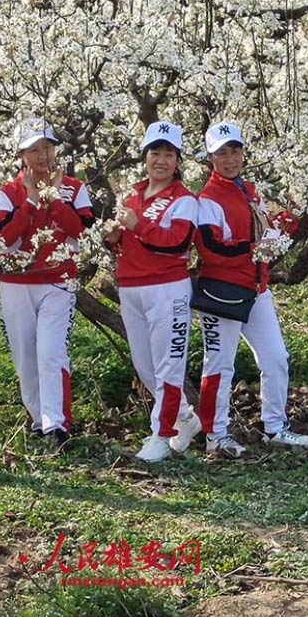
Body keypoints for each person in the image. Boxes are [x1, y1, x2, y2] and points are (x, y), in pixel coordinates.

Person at [193, 122, 308, 458]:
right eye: (221, 152)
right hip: (222, 292)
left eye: (234, 150)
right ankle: (215, 436)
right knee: (219, 364)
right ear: (210, 158)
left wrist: (289, 219)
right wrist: (254, 249)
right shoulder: (207, 199)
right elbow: (210, 248)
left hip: (256, 289)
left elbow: (266, 232)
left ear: (243, 153)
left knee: (276, 358)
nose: (229, 158)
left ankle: (275, 427)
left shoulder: (249, 190)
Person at [0, 117, 95, 452]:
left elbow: (83, 230)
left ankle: (56, 425)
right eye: (33, 149)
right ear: (22, 154)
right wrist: (32, 201)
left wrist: (55, 200)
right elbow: (6, 239)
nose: (42, 155)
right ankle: (38, 421)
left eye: (47, 147)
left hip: (58, 280)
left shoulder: (75, 188)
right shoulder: (8, 192)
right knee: (25, 357)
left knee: (51, 352)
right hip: (17, 282)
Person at [104, 121, 201, 462]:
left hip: (168, 289)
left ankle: (161, 435)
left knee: (168, 366)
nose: (160, 160)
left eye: (168, 154)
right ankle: (185, 418)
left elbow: (176, 243)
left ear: (178, 161)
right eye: (154, 153)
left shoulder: (184, 199)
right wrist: (113, 237)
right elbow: (127, 242)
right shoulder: (131, 195)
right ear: (145, 157)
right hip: (131, 287)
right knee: (145, 366)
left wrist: (138, 226)